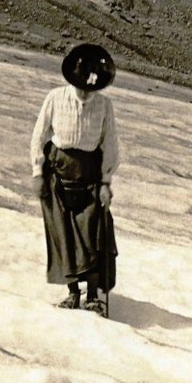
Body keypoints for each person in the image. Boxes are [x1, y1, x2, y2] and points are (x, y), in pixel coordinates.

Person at [30, 43, 119, 314]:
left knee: (92, 235)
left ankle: (93, 295)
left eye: (90, 85)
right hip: (58, 174)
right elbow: (39, 135)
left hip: (90, 175)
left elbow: (110, 145)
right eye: (81, 84)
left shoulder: (104, 105)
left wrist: (106, 183)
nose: (85, 91)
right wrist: (37, 172)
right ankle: (72, 293)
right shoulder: (56, 98)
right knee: (64, 234)